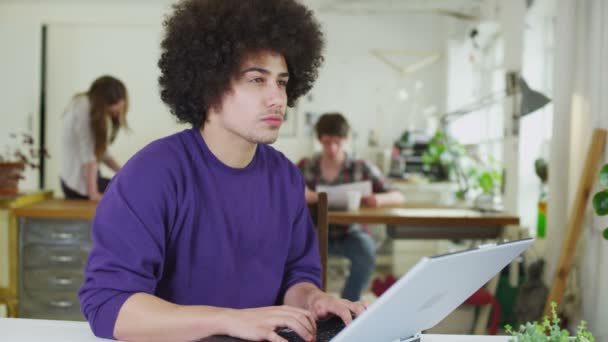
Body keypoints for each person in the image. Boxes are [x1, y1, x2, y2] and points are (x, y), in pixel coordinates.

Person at [78, 1, 365, 341]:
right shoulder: (151, 175)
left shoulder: (285, 177)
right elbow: (109, 306)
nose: (277, 99)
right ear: (208, 85)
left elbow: (296, 277)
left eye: (282, 82)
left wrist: (314, 299)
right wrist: (229, 320)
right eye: (257, 79)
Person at [297, 113, 405, 302]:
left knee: (366, 250)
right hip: (315, 232)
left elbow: (397, 195)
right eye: (327, 142)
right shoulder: (307, 165)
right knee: (296, 255)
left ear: (346, 139)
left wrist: (377, 199)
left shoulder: (361, 167)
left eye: (337, 142)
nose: (332, 148)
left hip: (350, 232)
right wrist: (304, 195)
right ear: (319, 140)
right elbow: (287, 194)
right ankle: (314, 302)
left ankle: (350, 301)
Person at [60, 75, 128, 201]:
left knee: (131, 187)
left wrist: (125, 172)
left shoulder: (84, 104)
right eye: (118, 101)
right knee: (131, 191)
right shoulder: (84, 107)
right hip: (78, 186)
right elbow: (89, 155)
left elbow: (102, 153)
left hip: (83, 181)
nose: (121, 105)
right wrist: (93, 194)